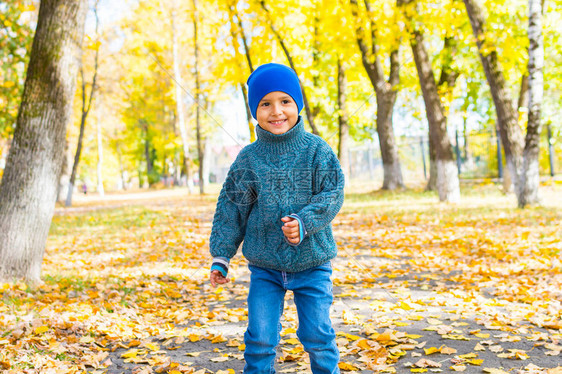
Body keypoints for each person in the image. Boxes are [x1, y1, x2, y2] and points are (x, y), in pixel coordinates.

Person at [209, 63, 344, 374]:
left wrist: (305, 222)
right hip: (266, 267)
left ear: (298, 104)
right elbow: (232, 208)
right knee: (260, 339)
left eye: (285, 101)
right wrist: (221, 255)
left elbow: (332, 192)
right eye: (265, 104)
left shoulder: (316, 151)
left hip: (312, 263)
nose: (276, 111)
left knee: (318, 336)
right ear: (255, 112)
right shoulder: (249, 158)